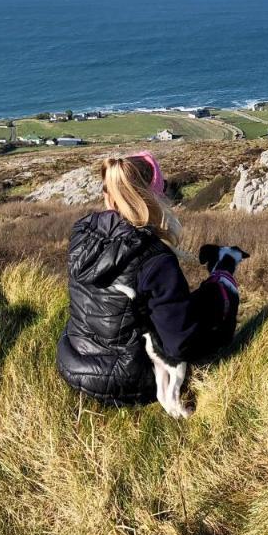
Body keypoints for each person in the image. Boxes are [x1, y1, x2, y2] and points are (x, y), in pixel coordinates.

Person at [56, 152, 241, 406]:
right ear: (152, 197)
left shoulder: (83, 232)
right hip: (124, 380)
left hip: (73, 360)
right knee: (212, 314)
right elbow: (180, 343)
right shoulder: (155, 258)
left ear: (108, 193)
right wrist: (220, 295)